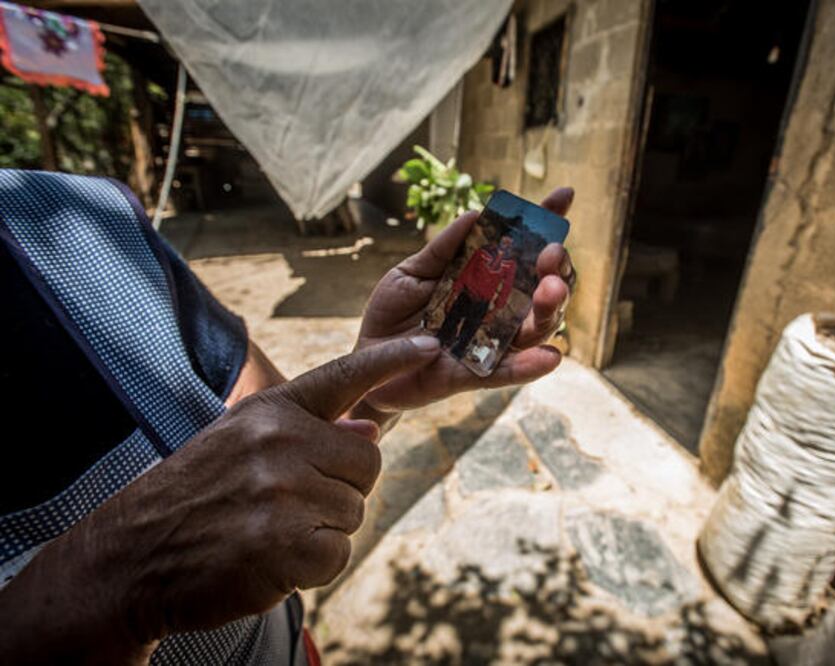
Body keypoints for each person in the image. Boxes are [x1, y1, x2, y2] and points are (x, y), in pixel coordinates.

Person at [0, 169, 574, 665]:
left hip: (288, 644)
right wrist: (116, 579)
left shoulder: (85, 217)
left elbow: (276, 433)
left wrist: (373, 389)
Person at [439, 232, 517, 358]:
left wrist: (494, 311)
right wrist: (452, 296)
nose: (506, 243)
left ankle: (455, 357)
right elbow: (466, 272)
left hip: (481, 304)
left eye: (510, 242)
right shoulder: (482, 252)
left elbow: (506, 289)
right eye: (505, 239)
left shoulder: (510, 264)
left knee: (465, 338)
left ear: (512, 245)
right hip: (465, 295)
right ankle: (437, 346)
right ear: (500, 239)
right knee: (447, 327)